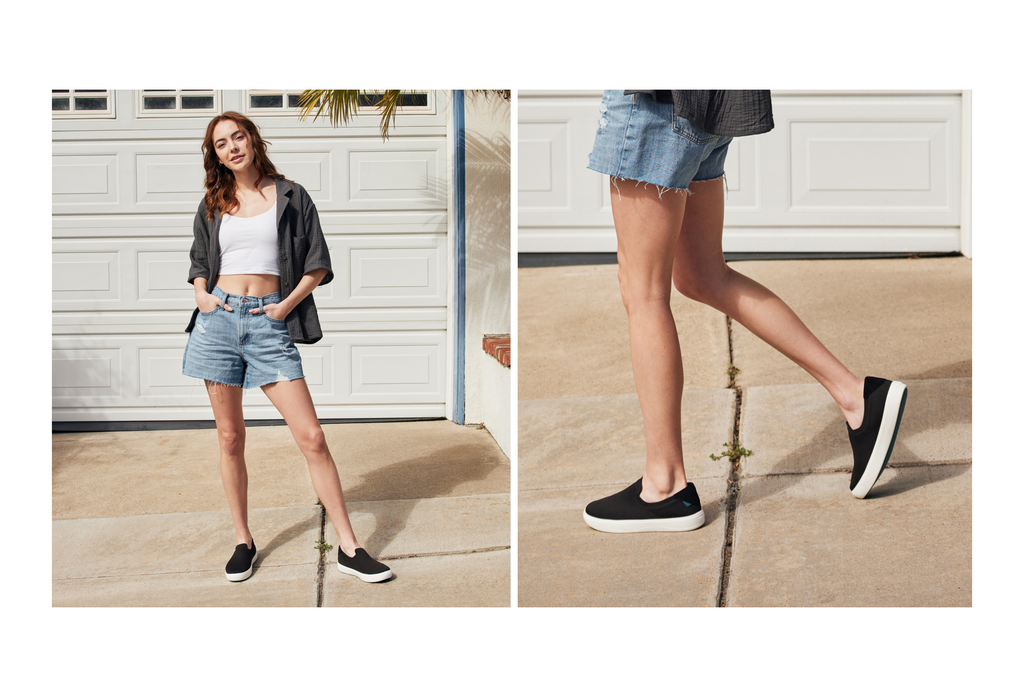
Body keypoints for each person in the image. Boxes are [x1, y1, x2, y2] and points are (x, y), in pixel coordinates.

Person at [581, 91, 907, 533]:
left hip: (656, 104)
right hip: (704, 104)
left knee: (643, 292)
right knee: (702, 275)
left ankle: (664, 485)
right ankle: (857, 396)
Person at [183, 111, 392, 582]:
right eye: (221, 143)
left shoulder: (292, 196)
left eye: (238, 136)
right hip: (217, 323)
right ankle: (244, 539)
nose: (232, 147)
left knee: (312, 437)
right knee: (230, 438)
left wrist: (284, 306)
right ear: (215, 155)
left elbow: (317, 262)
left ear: (253, 140)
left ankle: (349, 546)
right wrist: (202, 293)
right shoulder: (214, 200)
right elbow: (200, 257)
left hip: (267, 320)